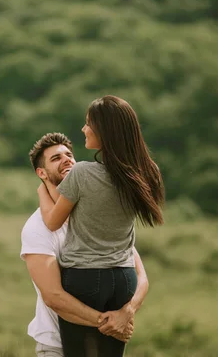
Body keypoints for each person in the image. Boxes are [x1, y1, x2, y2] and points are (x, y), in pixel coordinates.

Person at [37, 96, 165, 357]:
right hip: (124, 279)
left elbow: (52, 222)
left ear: (104, 131)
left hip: (85, 278)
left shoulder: (82, 173)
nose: (83, 129)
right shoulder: (145, 172)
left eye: (88, 124)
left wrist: (42, 187)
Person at [21, 132, 150, 357]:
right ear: (41, 173)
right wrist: (110, 323)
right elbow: (54, 297)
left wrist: (126, 313)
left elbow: (141, 275)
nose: (66, 159)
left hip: (106, 341)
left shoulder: (97, 215)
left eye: (69, 155)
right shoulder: (36, 229)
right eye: (56, 158)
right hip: (57, 347)